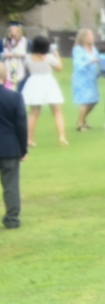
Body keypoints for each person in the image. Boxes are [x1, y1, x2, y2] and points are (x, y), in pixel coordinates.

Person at [21, 36, 67, 147]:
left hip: (34, 83)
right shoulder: (49, 57)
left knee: (33, 114)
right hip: (48, 82)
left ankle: (29, 139)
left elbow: (26, 68)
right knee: (57, 112)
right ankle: (62, 137)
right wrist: (57, 56)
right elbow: (59, 68)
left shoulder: (27, 57)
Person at [0, 61, 27, 229]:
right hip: (9, 147)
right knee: (11, 184)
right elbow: (21, 125)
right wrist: (23, 149)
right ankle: (11, 218)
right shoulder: (15, 97)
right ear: (5, 76)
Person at [71, 29, 100, 131]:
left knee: (94, 100)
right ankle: (80, 123)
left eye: (92, 35)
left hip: (92, 78)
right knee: (84, 101)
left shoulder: (94, 49)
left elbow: (98, 59)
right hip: (82, 78)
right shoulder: (78, 49)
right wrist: (91, 61)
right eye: (88, 35)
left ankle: (82, 119)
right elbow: (78, 64)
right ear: (83, 37)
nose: (91, 37)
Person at [3, 23, 27, 90]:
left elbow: (22, 53)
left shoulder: (23, 40)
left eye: (15, 29)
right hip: (9, 64)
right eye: (12, 29)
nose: (13, 31)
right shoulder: (6, 40)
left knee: (17, 82)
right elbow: (6, 53)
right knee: (8, 81)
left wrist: (12, 54)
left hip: (18, 64)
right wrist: (15, 54)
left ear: (18, 30)